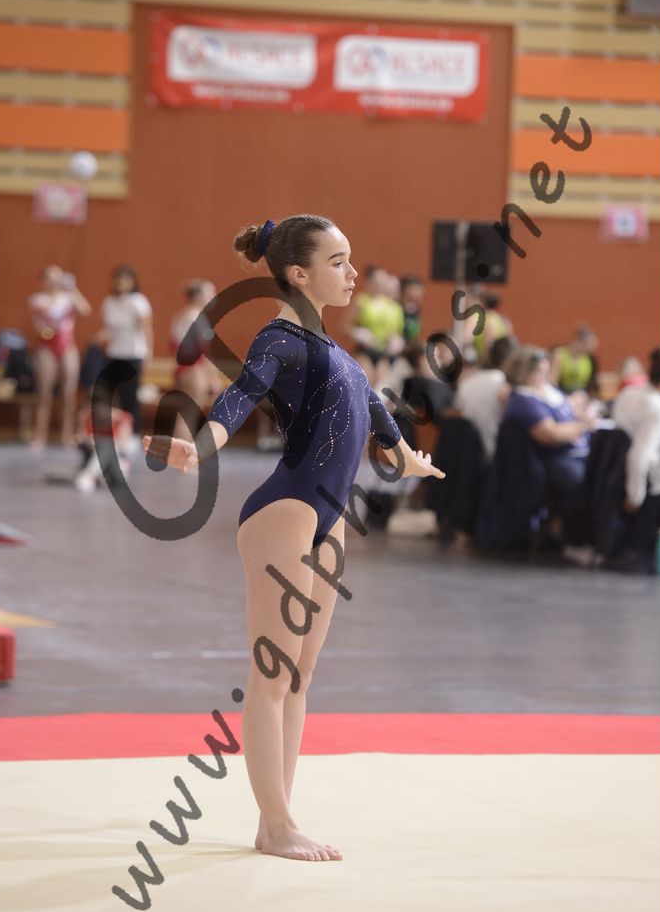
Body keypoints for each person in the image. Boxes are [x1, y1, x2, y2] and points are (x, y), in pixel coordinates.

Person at [142, 215, 445, 863]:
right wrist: (200, 448)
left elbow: (376, 416)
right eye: (339, 262)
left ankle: (276, 819)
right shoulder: (277, 340)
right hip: (285, 511)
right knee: (271, 676)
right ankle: (276, 824)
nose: (353, 273)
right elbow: (238, 398)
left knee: (299, 678)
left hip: (328, 520)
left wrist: (409, 459)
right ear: (299, 274)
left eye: (351, 259)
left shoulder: (337, 353)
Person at [503, 345, 600, 551]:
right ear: (525, 372)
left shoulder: (549, 392)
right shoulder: (524, 400)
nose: (547, 375)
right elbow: (551, 435)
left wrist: (582, 416)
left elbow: (571, 411)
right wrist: (583, 426)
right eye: (541, 371)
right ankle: (573, 538)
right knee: (582, 481)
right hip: (553, 457)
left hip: (577, 451)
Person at [28, 265, 91, 449]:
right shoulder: (37, 299)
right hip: (47, 344)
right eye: (50, 278)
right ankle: (40, 436)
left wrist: (73, 289)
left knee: (68, 393)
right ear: (43, 281)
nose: (54, 281)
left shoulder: (68, 297)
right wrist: (58, 298)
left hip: (67, 344)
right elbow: (44, 315)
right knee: (44, 392)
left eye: (58, 277)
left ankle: (66, 435)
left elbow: (85, 310)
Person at [611, 347, 660, 520]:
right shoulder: (656, 407)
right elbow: (639, 455)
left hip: (613, 469)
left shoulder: (628, 393)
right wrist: (635, 497)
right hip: (637, 479)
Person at [99, 265, 153, 438]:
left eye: (125, 279)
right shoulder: (109, 303)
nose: (121, 282)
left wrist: (148, 352)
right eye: (118, 279)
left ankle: (134, 435)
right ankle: (112, 433)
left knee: (129, 396)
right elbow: (109, 329)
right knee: (109, 396)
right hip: (114, 354)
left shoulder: (138, 301)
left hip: (133, 354)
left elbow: (146, 328)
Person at [168, 279, 219, 439]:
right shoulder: (194, 317)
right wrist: (213, 377)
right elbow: (203, 350)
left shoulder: (183, 315)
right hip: (193, 370)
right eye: (209, 293)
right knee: (189, 415)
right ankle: (182, 446)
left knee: (187, 414)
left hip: (185, 368)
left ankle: (182, 446)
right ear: (197, 296)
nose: (213, 296)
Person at [453, 336, 516, 461]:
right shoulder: (506, 387)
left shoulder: (466, 383)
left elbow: (458, 411)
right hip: (496, 455)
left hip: (466, 455)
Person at [344, 265, 405, 386]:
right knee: (364, 383)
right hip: (365, 351)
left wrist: (396, 339)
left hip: (384, 353)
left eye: (382, 282)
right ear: (369, 282)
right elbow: (345, 326)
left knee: (379, 387)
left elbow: (395, 331)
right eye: (376, 282)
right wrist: (359, 333)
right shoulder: (361, 301)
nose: (379, 286)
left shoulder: (391, 305)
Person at [551, 325, 600, 396]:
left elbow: (593, 384)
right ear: (578, 342)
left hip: (582, 394)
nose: (591, 350)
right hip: (562, 392)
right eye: (587, 345)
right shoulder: (559, 354)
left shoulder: (590, 359)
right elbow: (552, 381)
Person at [399, 275, 425, 346]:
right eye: (417, 289)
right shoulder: (397, 308)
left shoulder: (417, 309)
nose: (420, 293)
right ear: (406, 289)